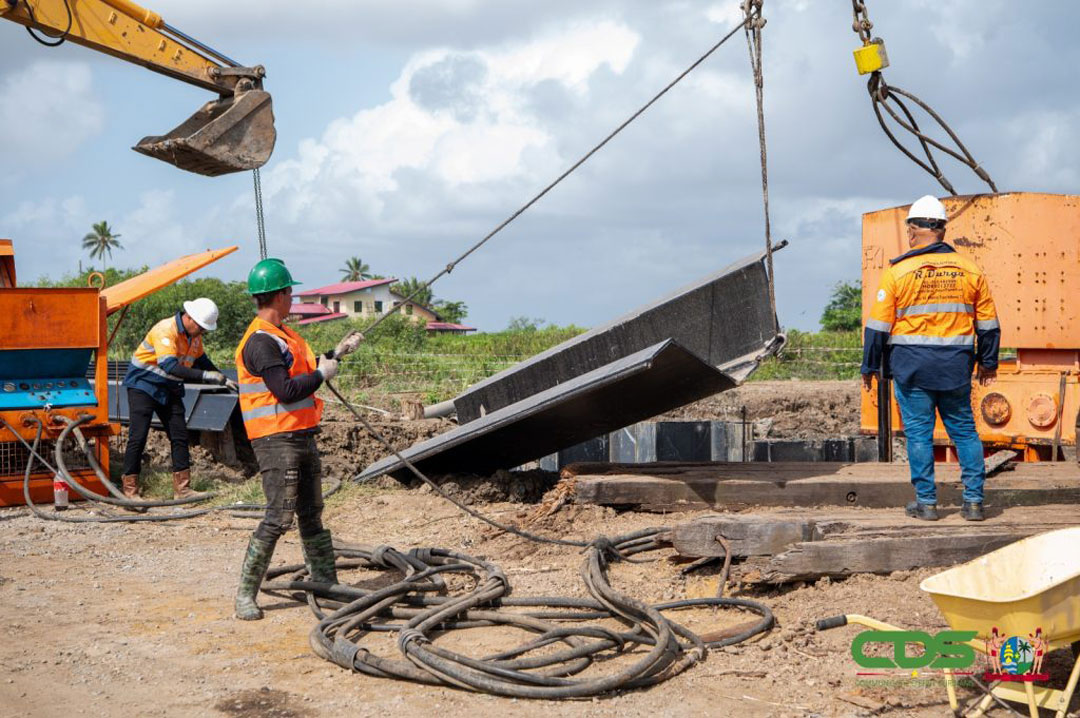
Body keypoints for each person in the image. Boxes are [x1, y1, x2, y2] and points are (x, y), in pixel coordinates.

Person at [232, 258, 363, 620]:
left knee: (311, 515)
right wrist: (323, 374)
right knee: (278, 517)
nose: (293, 299)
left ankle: (326, 584)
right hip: (276, 441)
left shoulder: (283, 337)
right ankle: (245, 595)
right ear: (280, 295)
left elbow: (300, 373)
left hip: (301, 435)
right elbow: (286, 390)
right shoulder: (260, 343)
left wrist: (336, 354)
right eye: (290, 292)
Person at [861, 194, 1000, 522]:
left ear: (912, 231)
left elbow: (877, 327)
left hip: (912, 367)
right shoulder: (970, 269)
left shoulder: (899, 272)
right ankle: (975, 503)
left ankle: (927, 503)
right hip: (955, 366)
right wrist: (988, 363)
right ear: (941, 230)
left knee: (920, 433)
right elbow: (989, 325)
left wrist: (870, 366)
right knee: (965, 431)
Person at [121, 298, 236, 503]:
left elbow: (202, 361)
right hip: (143, 385)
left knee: (179, 435)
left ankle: (182, 489)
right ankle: (130, 491)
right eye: (201, 327)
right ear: (189, 317)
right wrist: (206, 377)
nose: (202, 332)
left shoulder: (194, 337)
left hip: (169, 387)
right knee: (138, 437)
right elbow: (170, 367)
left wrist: (222, 377)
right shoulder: (166, 330)